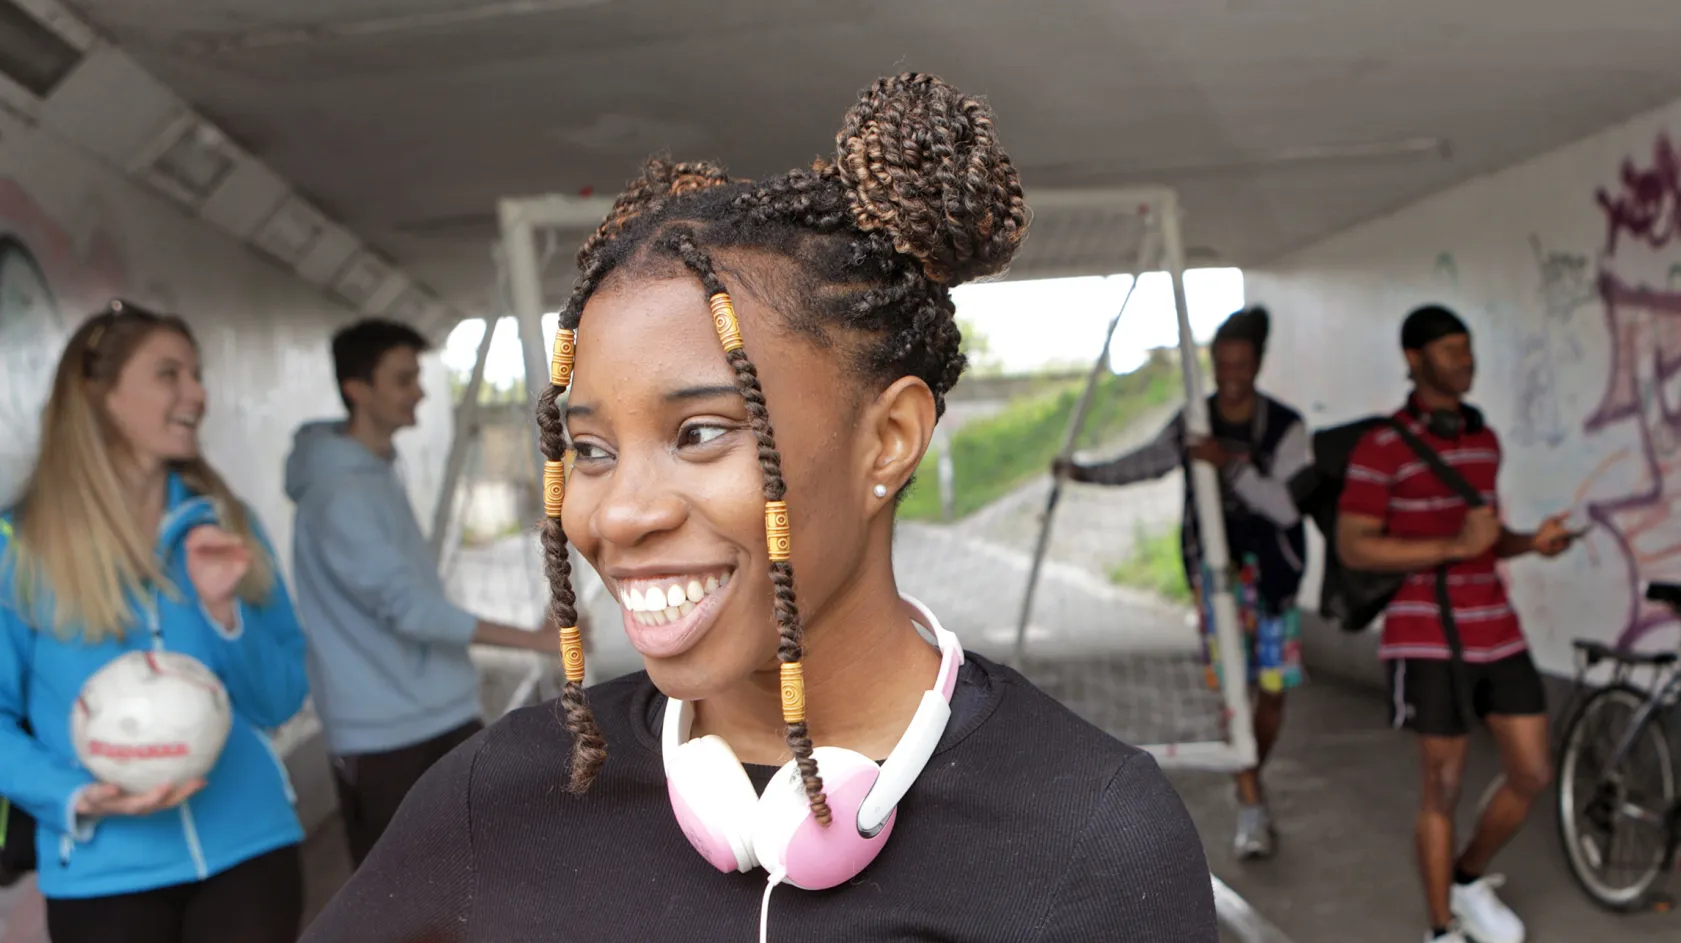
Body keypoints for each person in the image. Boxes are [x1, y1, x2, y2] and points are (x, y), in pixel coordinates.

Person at [303, 73, 1214, 942]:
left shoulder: (1095, 838)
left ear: (889, 438)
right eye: (588, 448)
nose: (618, 516)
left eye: (701, 432)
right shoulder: (500, 796)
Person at [0, 301, 310, 943]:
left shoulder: (226, 523)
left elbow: (281, 699)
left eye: (196, 374)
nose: (197, 393)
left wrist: (225, 613)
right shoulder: (16, 548)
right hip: (101, 873)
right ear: (98, 394)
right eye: (170, 374)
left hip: (250, 850)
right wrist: (76, 795)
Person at [284, 318, 575, 869]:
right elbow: (409, 610)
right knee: (407, 889)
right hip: (388, 733)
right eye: (402, 378)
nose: (418, 391)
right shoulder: (341, 493)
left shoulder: (369, 472)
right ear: (357, 390)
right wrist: (538, 641)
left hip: (428, 714)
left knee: (462, 874)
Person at [1333, 304, 1574, 943]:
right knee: (1441, 786)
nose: (1465, 360)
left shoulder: (1482, 437)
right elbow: (1355, 545)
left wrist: (1531, 544)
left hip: (1497, 627)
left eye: (1468, 348)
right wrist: (1452, 549)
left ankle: (1467, 879)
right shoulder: (1381, 446)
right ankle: (1441, 930)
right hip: (1426, 637)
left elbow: (1486, 538)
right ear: (1415, 360)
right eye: (1450, 350)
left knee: (1532, 773)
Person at [1055, 304, 1307, 860]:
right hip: (1216, 580)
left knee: (1271, 692)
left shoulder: (1287, 427)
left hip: (1274, 579)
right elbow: (1145, 463)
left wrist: (1227, 464)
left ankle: (1250, 771)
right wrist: (1086, 473)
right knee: (1230, 689)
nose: (1232, 374)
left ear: (1258, 364)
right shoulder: (1193, 420)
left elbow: (1287, 508)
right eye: (1223, 363)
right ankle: (1250, 805)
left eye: (1242, 363)